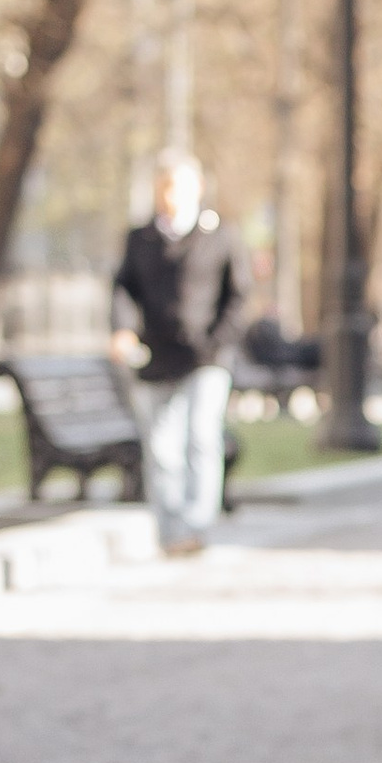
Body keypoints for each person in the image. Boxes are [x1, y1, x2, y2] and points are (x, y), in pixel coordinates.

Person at [110, 151, 246, 557]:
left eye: (178, 187)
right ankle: (171, 532)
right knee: (162, 448)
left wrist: (218, 340)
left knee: (202, 439)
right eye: (163, 187)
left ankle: (196, 526)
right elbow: (122, 289)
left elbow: (239, 296)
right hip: (156, 358)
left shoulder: (220, 235)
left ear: (197, 189)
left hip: (206, 358)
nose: (169, 196)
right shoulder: (140, 239)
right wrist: (122, 330)